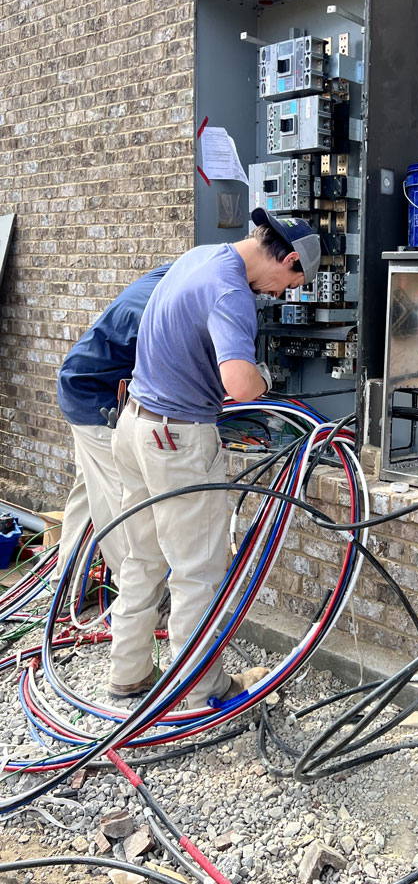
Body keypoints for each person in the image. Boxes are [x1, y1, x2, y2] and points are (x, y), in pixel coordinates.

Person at [108, 209, 321, 706]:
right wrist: (267, 377)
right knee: (197, 570)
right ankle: (200, 691)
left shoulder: (200, 257)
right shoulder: (231, 293)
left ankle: (129, 673)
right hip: (175, 439)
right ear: (288, 258)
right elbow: (241, 388)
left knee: (142, 558)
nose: (282, 294)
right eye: (292, 282)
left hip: (134, 424)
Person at [54, 265, 171, 586]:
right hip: (95, 399)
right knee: (122, 500)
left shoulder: (169, 277)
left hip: (79, 384)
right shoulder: (166, 307)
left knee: (89, 490)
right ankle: (137, 593)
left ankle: (65, 585)